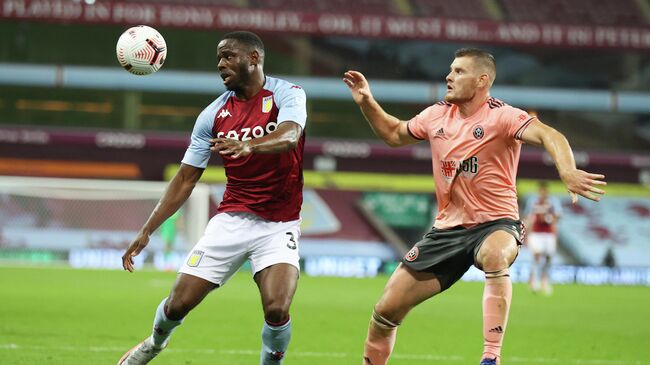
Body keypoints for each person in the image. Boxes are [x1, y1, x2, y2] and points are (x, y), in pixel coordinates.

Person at [343, 48, 606, 365]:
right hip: (447, 231)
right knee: (385, 312)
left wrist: (566, 170)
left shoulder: (503, 116)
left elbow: (551, 135)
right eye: (450, 70)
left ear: (482, 80)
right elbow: (394, 133)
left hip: (497, 224)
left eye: (458, 71)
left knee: (494, 254)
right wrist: (367, 102)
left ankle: (490, 358)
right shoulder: (436, 115)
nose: (448, 76)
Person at [118, 31, 307, 365]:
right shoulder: (213, 115)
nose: (221, 64)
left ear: (254, 58)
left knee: (277, 308)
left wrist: (250, 145)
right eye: (219, 58)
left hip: (280, 224)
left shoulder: (286, 93)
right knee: (177, 304)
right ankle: (153, 344)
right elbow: (186, 178)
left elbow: (290, 134)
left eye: (228, 56)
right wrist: (147, 229)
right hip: (231, 221)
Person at [523, 181, 562, 295]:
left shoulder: (553, 201)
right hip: (536, 233)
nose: (543, 193)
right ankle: (533, 281)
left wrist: (551, 221)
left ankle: (545, 280)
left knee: (549, 257)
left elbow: (558, 216)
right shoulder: (533, 201)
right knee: (537, 256)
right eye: (541, 191)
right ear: (539, 191)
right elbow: (528, 217)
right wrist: (526, 234)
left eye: (545, 191)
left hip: (549, 234)